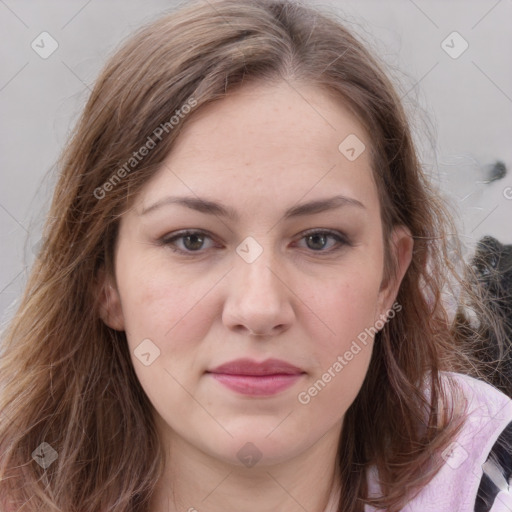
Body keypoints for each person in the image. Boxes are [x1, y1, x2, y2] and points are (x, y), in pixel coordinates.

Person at [1, 1, 511, 511]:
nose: (259, 308)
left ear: (389, 278)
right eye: (192, 240)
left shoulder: (484, 478)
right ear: (104, 280)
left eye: (319, 240)